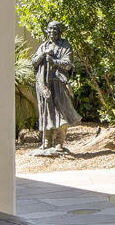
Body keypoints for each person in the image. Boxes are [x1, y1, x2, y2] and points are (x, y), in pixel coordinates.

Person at [30, 21, 82, 153]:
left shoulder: (65, 46)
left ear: (59, 32)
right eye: (50, 30)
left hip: (59, 83)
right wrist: (43, 54)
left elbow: (68, 64)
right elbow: (34, 62)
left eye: (55, 30)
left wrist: (54, 62)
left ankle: (59, 142)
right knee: (46, 113)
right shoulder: (43, 46)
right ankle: (47, 142)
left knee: (62, 112)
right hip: (44, 85)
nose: (52, 32)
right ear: (47, 31)